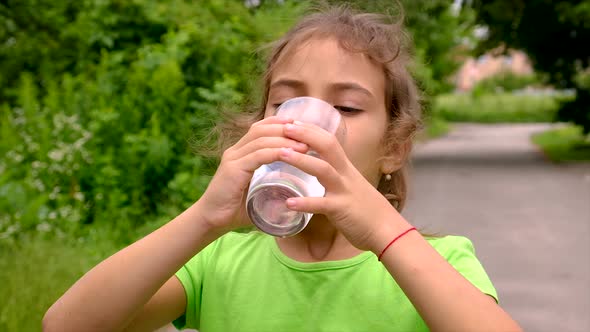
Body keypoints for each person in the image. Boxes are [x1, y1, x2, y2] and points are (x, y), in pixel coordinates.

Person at [43, 5, 523, 332]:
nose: (307, 126)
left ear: (393, 148)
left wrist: (383, 230)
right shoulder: (218, 260)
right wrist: (205, 219)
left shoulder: (435, 261)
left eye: (348, 109)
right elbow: (65, 325)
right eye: (285, 102)